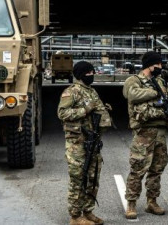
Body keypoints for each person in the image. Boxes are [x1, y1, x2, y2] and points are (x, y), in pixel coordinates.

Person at [122, 51, 168, 219]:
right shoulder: (134, 81)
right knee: (138, 168)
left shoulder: (162, 82)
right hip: (143, 132)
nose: (161, 67)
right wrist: (156, 92)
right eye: (157, 64)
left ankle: (152, 202)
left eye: (161, 64)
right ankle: (131, 204)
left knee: (157, 169)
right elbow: (131, 95)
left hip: (160, 132)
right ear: (149, 65)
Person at [57, 61, 113, 225]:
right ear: (81, 74)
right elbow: (62, 113)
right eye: (89, 73)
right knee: (78, 180)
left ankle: (88, 212)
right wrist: (85, 110)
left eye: (92, 72)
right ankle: (75, 216)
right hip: (78, 144)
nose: (91, 75)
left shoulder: (91, 91)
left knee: (93, 178)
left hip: (93, 142)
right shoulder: (71, 92)